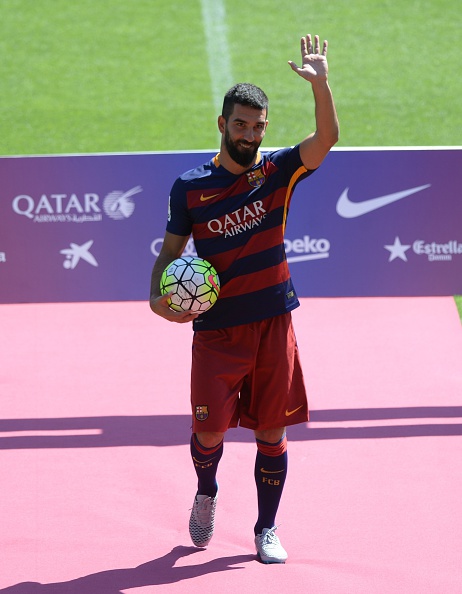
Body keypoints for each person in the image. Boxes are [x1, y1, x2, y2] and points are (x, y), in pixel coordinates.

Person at [150, 34, 339, 564]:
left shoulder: (277, 172)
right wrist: (158, 298)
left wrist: (321, 85)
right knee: (208, 431)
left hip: (274, 322)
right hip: (217, 329)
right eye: (240, 125)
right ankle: (206, 491)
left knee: (272, 432)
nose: (250, 135)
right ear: (222, 124)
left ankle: (266, 527)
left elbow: (327, 138)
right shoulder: (189, 187)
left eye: (258, 127)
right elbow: (169, 254)